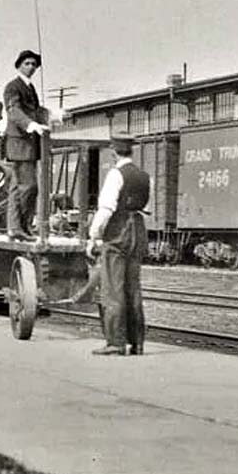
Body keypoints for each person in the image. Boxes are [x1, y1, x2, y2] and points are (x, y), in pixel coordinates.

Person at [86, 134, 150, 356]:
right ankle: (137, 342)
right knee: (133, 288)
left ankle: (115, 342)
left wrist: (93, 235)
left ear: (114, 153)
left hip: (118, 231)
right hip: (138, 230)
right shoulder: (143, 176)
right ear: (130, 151)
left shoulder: (115, 174)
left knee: (113, 289)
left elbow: (106, 209)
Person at [2, 49, 54, 241]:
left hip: (28, 145)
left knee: (18, 189)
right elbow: (13, 111)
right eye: (27, 64)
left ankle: (16, 228)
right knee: (29, 187)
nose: (31, 67)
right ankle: (22, 227)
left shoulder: (30, 88)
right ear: (19, 65)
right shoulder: (13, 87)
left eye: (34, 64)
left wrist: (53, 115)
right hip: (20, 144)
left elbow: (36, 110)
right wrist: (31, 125)